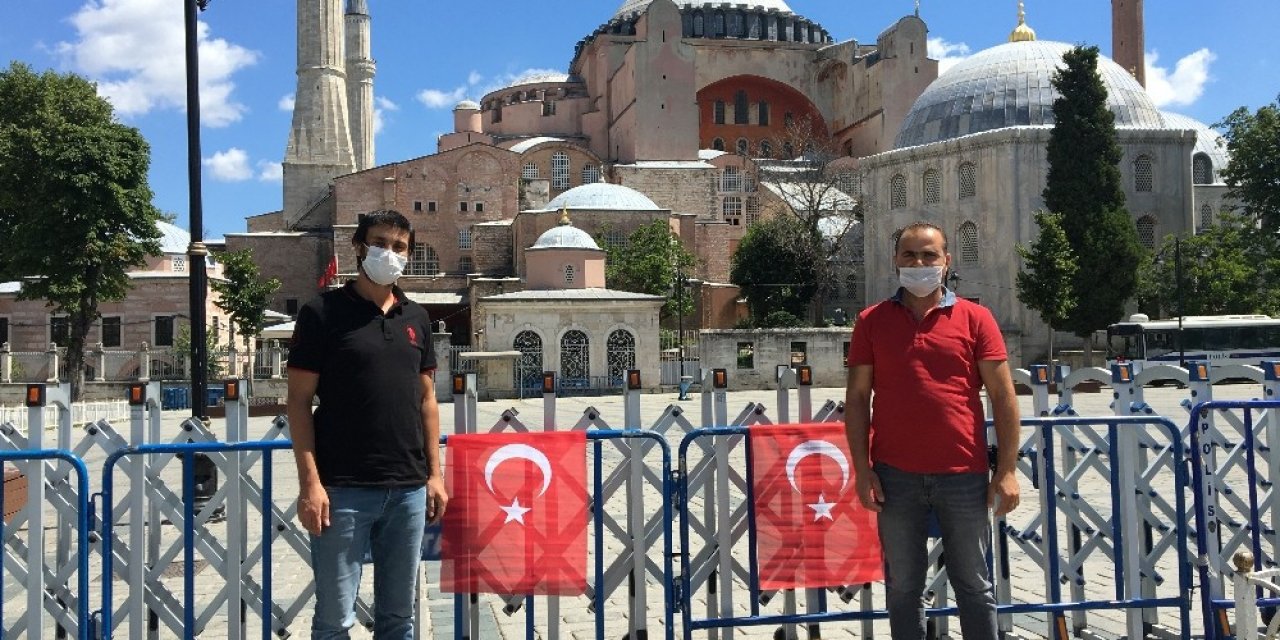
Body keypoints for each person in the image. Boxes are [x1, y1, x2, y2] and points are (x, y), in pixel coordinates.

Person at [844, 221, 1021, 640]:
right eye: (910, 255)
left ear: (946, 261)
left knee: (975, 586)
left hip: (964, 475)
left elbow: (1003, 395)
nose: (919, 263)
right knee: (903, 588)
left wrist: (1008, 469)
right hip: (895, 477)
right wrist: (862, 469)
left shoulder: (976, 319)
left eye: (929, 255)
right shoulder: (872, 321)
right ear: (896, 261)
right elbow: (857, 399)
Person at [287, 209, 448, 639]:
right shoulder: (322, 312)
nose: (389, 253)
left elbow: (427, 400)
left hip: (408, 490)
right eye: (380, 243)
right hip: (343, 489)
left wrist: (435, 475)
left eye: (399, 247)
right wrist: (310, 483)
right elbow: (299, 403)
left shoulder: (417, 318)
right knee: (335, 620)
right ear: (359, 247)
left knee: (399, 618)